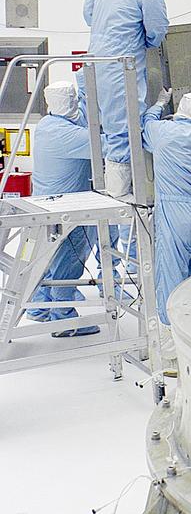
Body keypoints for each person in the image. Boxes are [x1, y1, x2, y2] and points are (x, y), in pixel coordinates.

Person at [80, 0, 171, 198]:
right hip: (122, 60)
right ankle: (119, 194)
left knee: (107, 119)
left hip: (96, 57)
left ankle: (112, 188)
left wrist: (107, 30)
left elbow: (88, 13)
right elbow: (157, 26)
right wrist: (147, 41)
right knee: (125, 123)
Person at [29, 82, 102, 336]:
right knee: (68, 261)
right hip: (68, 210)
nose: (76, 103)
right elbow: (108, 146)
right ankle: (64, 320)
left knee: (48, 258)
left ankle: (39, 307)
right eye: (74, 99)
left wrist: (85, 84)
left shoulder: (46, 125)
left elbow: (80, 114)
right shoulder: (69, 135)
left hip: (44, 205)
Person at [141, 90, 191, 327]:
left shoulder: (164, 132)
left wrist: (160, 103)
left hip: (176, 212)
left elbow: (144, 124)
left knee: (171, 275)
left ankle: (172, 338)